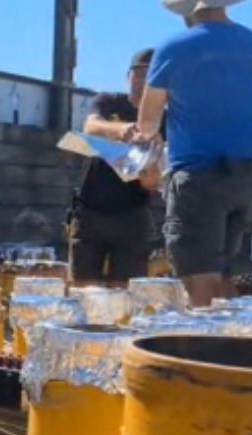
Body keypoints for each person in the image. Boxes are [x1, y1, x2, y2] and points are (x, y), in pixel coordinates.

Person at [136, 0, 252, 306]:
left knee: (200, 277)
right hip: (248, 175)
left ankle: (206, 347)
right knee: (225, 274)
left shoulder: (173, 47)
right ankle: (234, 344)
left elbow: (147, 123)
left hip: (199, 176)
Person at [69, 49, 162, 288]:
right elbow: (91, 126)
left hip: (132, 214)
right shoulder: (109, 102)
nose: (144, 81)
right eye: (139, 74)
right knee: (85, 289)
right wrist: (122, 131)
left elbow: (152, 182)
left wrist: (149, 163)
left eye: (152, 75)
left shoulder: (166, 119)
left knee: (125, 292)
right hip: (90, 209)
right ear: (128, 76)